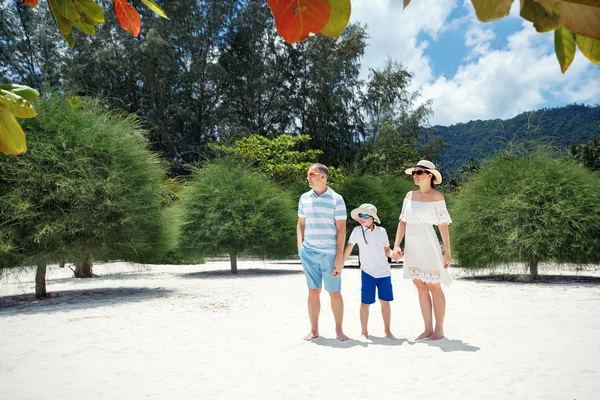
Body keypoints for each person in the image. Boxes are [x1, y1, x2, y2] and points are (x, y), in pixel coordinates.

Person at [392, 160, 453, 341]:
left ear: (430, 176)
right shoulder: (409, 195)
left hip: (429, 245)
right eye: (414, 173)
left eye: (419, 172)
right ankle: (427, 329)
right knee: (419, 285)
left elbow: (443, 226)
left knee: (434, 286)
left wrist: (447, 252)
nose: (415, 176)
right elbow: (402, 222)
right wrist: (396, 245)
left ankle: (439, 329)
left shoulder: (437, 197)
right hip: (412, 246)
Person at [297, 163, 349, 341]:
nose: (308, 177)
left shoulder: (337, 199)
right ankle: (314, 330)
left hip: (330, 254)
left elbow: (341, 229)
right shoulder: (304, 198)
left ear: (323, 176)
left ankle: (339, 330)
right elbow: (300, 223)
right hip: (308, 252)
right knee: (313, 291)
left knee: (334, 292)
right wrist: (300, 247)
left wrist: (339, 257)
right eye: (308, 174)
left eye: (312, 174)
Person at [343, 203, 395, 339]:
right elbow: (349, 248)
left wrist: (394, 254)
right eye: (360, 215)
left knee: (385, 302)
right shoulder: (356, 231)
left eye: (365, 215)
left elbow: (387, 250)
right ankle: (364, 332)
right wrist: (340, 263)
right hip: (367, 273)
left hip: (384, 273)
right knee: (365, 303)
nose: (362, 218)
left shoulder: (382, 231)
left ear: (373, 218)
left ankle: (388, 331)